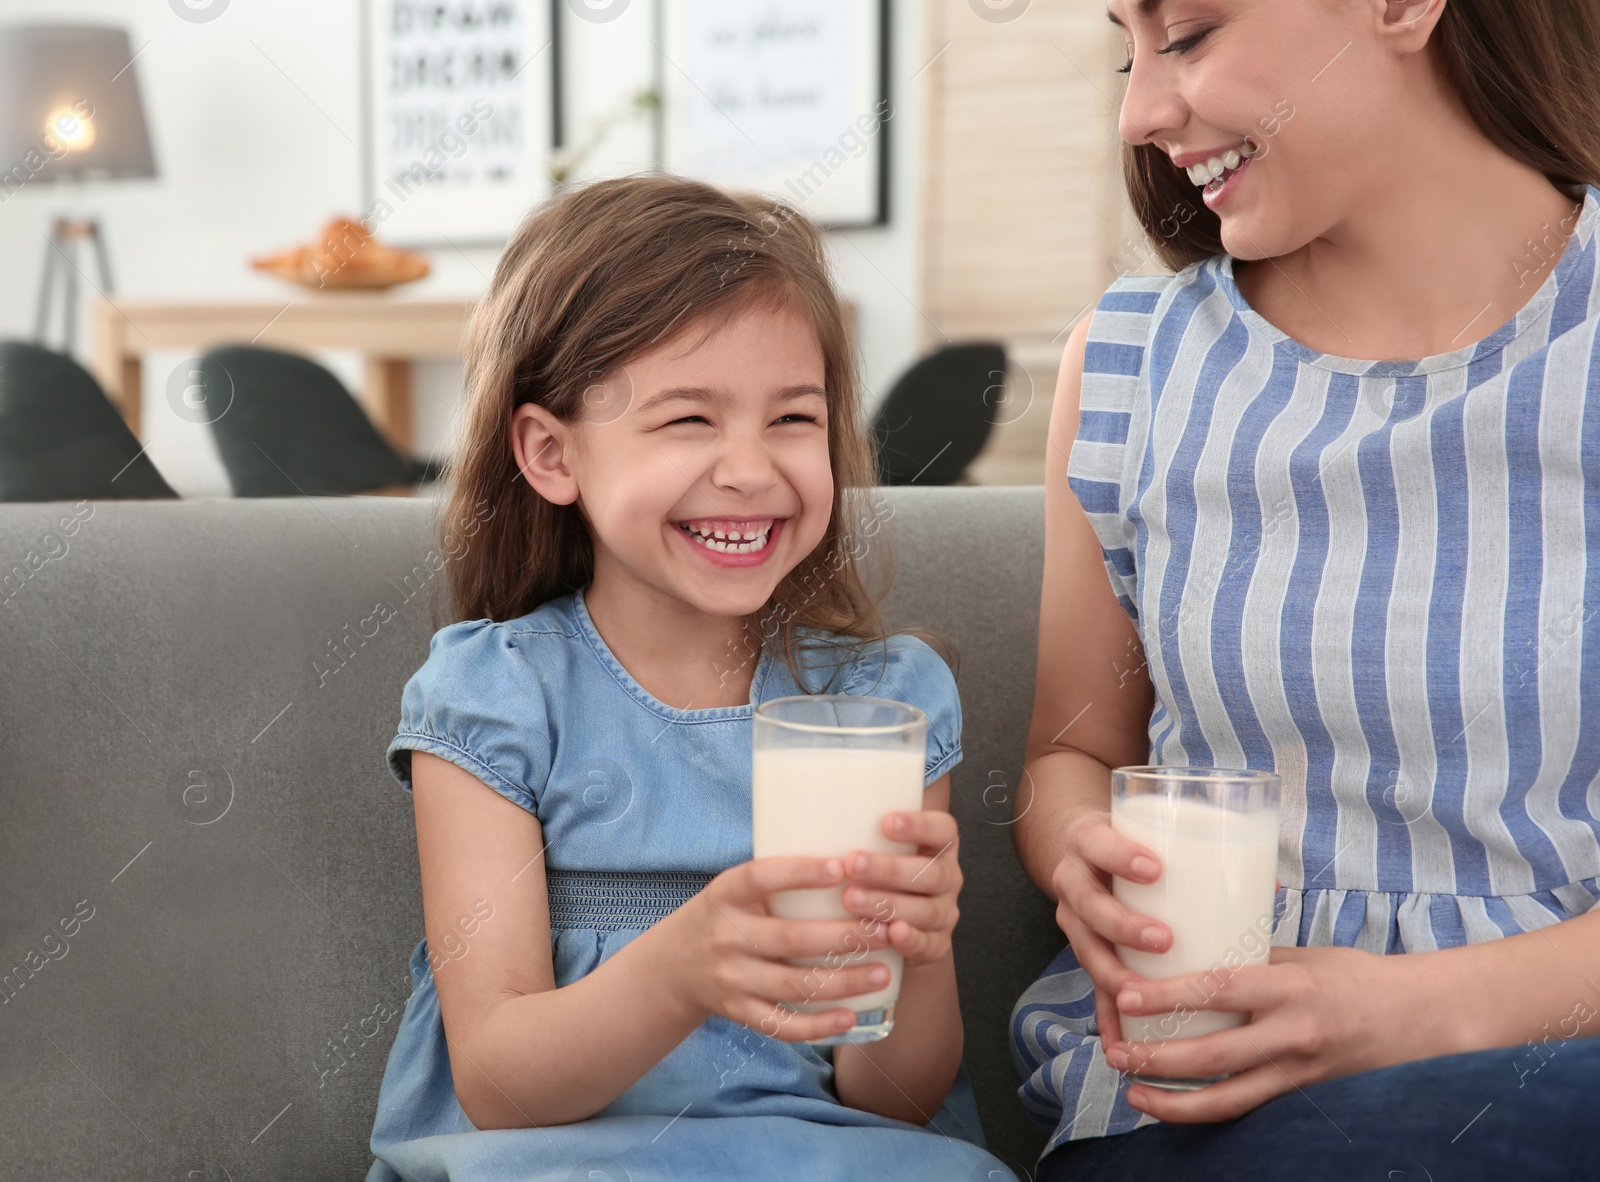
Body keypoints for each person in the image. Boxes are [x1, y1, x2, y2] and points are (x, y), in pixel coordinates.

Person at [1009, 0, 1600, 1178]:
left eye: (1186, 35)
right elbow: (1066, 757)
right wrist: (1085, 852)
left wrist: (1404, 1012)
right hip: (1203, 1084)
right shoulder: (1133, 365)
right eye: (1124, 46)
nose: (1137, 110)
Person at [362, 175, 1016, 1182]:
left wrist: (919, 950)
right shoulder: (495, 699)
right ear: (550, 452)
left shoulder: (882, 705)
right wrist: (685, 964)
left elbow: (896, 1099)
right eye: (688, 421)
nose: (751, 469)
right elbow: (497, 1081)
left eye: (792, 419)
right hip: (562, 1162)